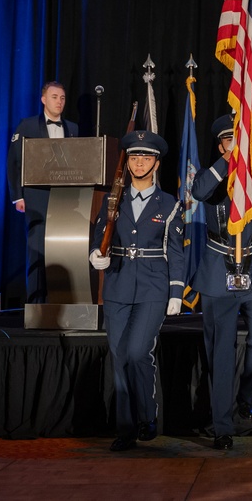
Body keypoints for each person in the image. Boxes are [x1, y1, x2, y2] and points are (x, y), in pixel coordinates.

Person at [190, 114, 252, 450]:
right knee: (220, 352)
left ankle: (247, 394)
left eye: (239, 142)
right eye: (227, 141)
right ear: (219, 145)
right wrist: (226, 161)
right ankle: (223, 426)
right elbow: (199, 191)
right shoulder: (211, 178)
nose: (234, 146)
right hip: (218, 269)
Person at [88, 130, 185, 452]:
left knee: (136, 352)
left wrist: (175, 291)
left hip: (153, 286)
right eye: (133, 157)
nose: (139, 162)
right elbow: (99, 234)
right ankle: (128, 427)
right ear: (127, 162)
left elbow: (176, 251)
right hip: (117, 283)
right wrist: (94, 255)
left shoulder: (169, 204)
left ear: (156, 163)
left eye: (146, 157)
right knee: (120, 356)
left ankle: (147, 414)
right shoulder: (113, 199)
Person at [7, 81, 79, 304]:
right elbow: (14, 161)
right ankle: (36, 305)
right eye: (55, 97)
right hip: (36, 196)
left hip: (64, 198)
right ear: (43, 99)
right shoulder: (27, 125)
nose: (59, 102)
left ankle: (60, 301)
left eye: (63, 98)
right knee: (37, 250)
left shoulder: (73, 128)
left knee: (63, 248)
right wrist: (18, 195)